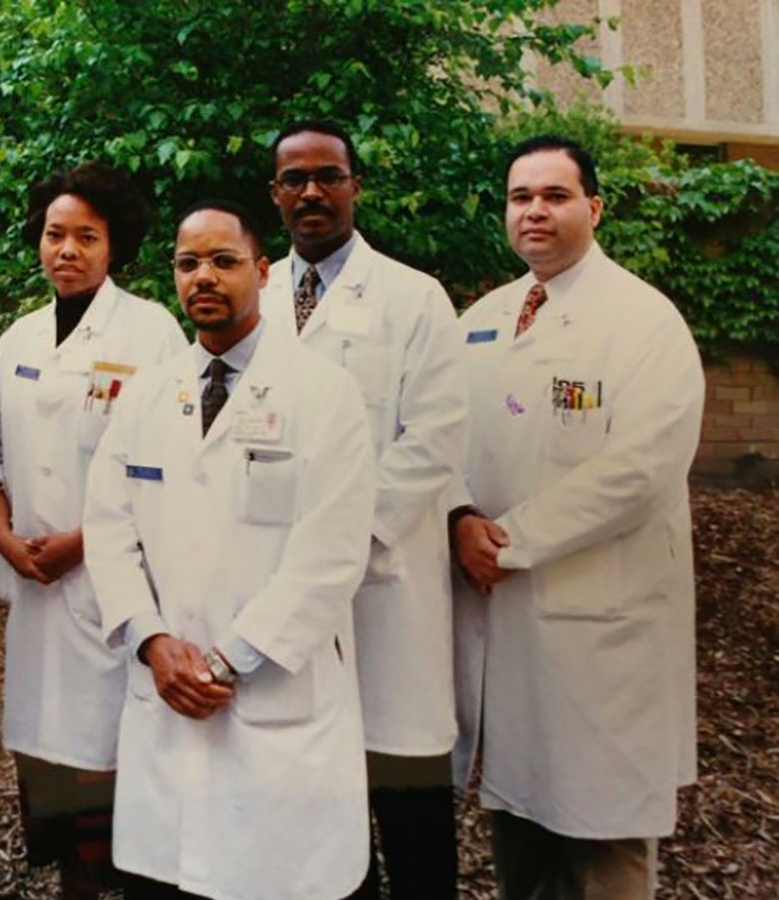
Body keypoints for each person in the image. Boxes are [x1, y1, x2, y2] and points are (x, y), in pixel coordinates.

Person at [83, 199, 376, 900]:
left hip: (268, 695)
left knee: (273, 879)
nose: (204, 277)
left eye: (223, 260)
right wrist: (154, 642)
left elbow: (330, 555)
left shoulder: (325, 393)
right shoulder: (147, 395)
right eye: (188, 264)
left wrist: (223, 662)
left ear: (262, 271)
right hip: (165, 689)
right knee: (170, 881)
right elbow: (109, 528)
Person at [449, 135, 704, 900]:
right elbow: (437, 436)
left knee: (603, 833)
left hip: (599, 624)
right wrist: (458, 518)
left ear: (594, 208)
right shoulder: (484, 319)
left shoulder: (644, 320)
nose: (535, 210)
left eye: (555, 196)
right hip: (504, 617)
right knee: (519, 821)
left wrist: (508, 543)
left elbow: (641, 469)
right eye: (520, 196)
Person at [261, 120, 467, 899]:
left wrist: (336, 542)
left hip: (384, 588)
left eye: (329, 176)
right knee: (312, 825)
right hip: (279, 588)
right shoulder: (255, 296)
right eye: (295, 179)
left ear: (356, 186)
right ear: (275, 194)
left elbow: (435, 438)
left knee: (411, 822)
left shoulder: (415, 298)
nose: (312, 192)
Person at [0, 161, 187, 898]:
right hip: (34, 590)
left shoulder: (152, 333)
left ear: (115, 245)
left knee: (109, 760)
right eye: (54, 234)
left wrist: (82, 542)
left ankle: (110, 879)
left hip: (109, 586)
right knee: (47, 756)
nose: (66, 250)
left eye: (86, 237)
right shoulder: (17, 340)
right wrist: (3, 535)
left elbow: (166, 466)